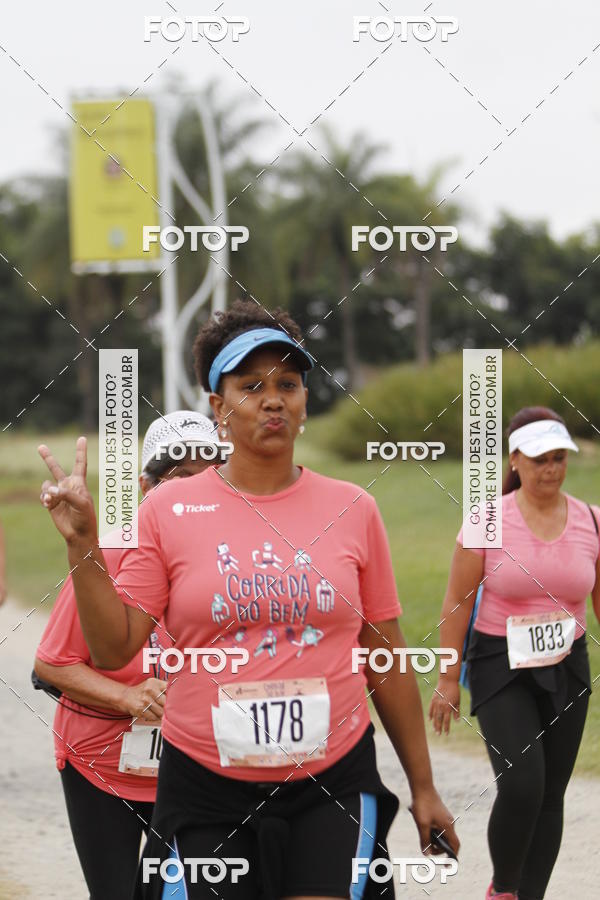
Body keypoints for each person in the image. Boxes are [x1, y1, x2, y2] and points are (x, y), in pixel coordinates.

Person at [39, 299, 459, 900]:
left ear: (305, 401)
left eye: (288, 384)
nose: (273, 400)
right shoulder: (167, 509)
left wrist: (423, 786)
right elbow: (112, 649)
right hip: (205, 781)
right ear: (219, 406)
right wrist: (82, 544)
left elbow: (384, 657)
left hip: (332, 776)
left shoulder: (353, 508)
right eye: (251, 386)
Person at [35, 411, 225, 900]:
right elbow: (51, 663)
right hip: (99, 767)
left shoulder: (231, 562)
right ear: (145, 487)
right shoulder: (111, 554)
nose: (192, 493)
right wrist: (127, 697)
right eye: (178, 478)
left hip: (193, 768)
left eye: (208, 477)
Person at [429, 407, 600, 900]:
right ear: (515, 461)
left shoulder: (591, 520)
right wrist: (447, 678)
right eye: (539, 459)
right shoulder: (487, 520)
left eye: (558, 458)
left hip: (567, 665)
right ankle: (503, 890)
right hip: (499, 664)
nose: (551, 469)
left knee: (551, 795)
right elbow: (456, 602)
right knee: (523, 783)